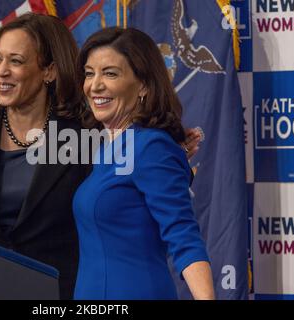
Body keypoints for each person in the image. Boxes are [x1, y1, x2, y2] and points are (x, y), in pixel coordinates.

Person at [0, 13, 201, 300]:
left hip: (62, 294)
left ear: (49, 71)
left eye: (16, 61)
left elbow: (132, 190)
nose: (1, 70)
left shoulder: (91, 132)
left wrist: (172, 154)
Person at [73, 27, 214, 300]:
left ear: (144, 86)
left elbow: (183, 236)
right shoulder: (109, 149)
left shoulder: (151, 147)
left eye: (110, 73)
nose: (94, 85)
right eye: (89, 73)